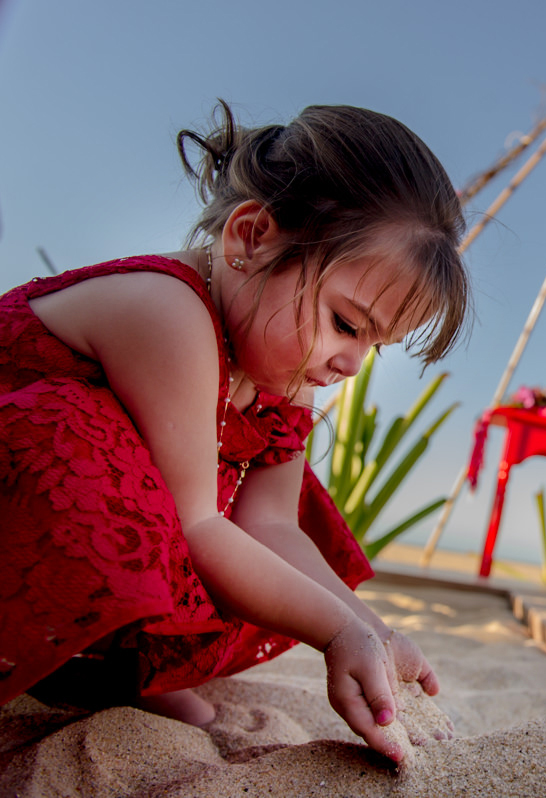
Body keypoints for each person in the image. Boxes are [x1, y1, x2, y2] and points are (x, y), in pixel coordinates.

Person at [0, 100, 471, 764]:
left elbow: (270, 528)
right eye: (345, 323)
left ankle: (120, 674)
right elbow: (195, 526)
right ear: (250, 239)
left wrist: (373, 631)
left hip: (107, 517)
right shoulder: (168, 311)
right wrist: (334, 633)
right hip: (18, 483)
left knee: (274, 554)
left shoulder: (288, 376)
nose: (350, 363)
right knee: (130, 481)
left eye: (376, 344)